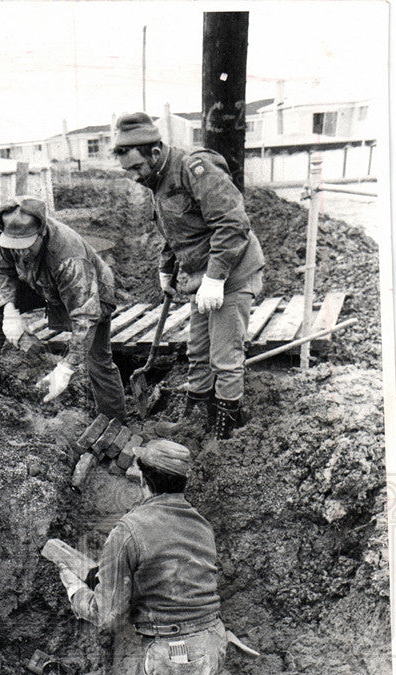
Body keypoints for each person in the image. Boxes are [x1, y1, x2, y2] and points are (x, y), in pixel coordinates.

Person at [57, 439, 227, 675]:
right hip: (213, 641)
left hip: (175, 655)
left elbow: (108, 617)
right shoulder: (199, 523)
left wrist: (74, 590)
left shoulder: (129, 531)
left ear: (142, 478)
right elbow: (170, 580)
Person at [112, 112, 265, 440]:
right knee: (197, 352)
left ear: (154, 153)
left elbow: (233, 224)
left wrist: (215, 278)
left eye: (137, 168)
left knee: (224, 357)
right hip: (202, 276)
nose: (134, 177)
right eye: (128, 171)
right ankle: (194, 422)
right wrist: (166, 266)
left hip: (233, 272)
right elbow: (175, 228)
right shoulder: (156, 179)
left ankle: (224, 438)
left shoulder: (194, 169)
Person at [0, 196, 127, 423]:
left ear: (41, 232)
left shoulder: (69, 257)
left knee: (97, 359)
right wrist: (10, 311)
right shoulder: (9, 235)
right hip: (40, 283)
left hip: (90, 294)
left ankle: (114, 421)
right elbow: (1, 271)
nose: (20, 252)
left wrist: (66, 368)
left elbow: (85, 317)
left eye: (26, 245)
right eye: (14, 246)